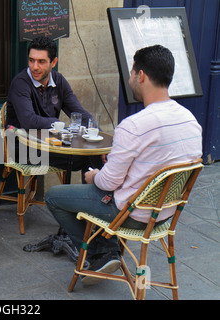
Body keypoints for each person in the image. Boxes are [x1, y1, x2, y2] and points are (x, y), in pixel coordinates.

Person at [45, 45, 203, 285]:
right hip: (166, 214)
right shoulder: (191, 121)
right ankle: (107, 252)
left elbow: (109, 182)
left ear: (140, 76)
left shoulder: (134, 125)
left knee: (55, 196)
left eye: (131, 73)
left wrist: (94, 176)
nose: (130, 79)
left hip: (132, 214)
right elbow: (163, 169)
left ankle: (102, 252)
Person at [6, 36, 102, 172]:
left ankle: (96, 192)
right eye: (31, 60)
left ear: (53, 62)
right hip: (22, 146)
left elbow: (78, 113)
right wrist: (57, 124)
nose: (35, 67)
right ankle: (93, 192)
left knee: (93, 151)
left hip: (49, 143)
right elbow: (29, 121)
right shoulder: (20, 83)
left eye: (41, 62)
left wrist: (98, 136)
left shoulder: (59, 80)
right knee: (83, 157)